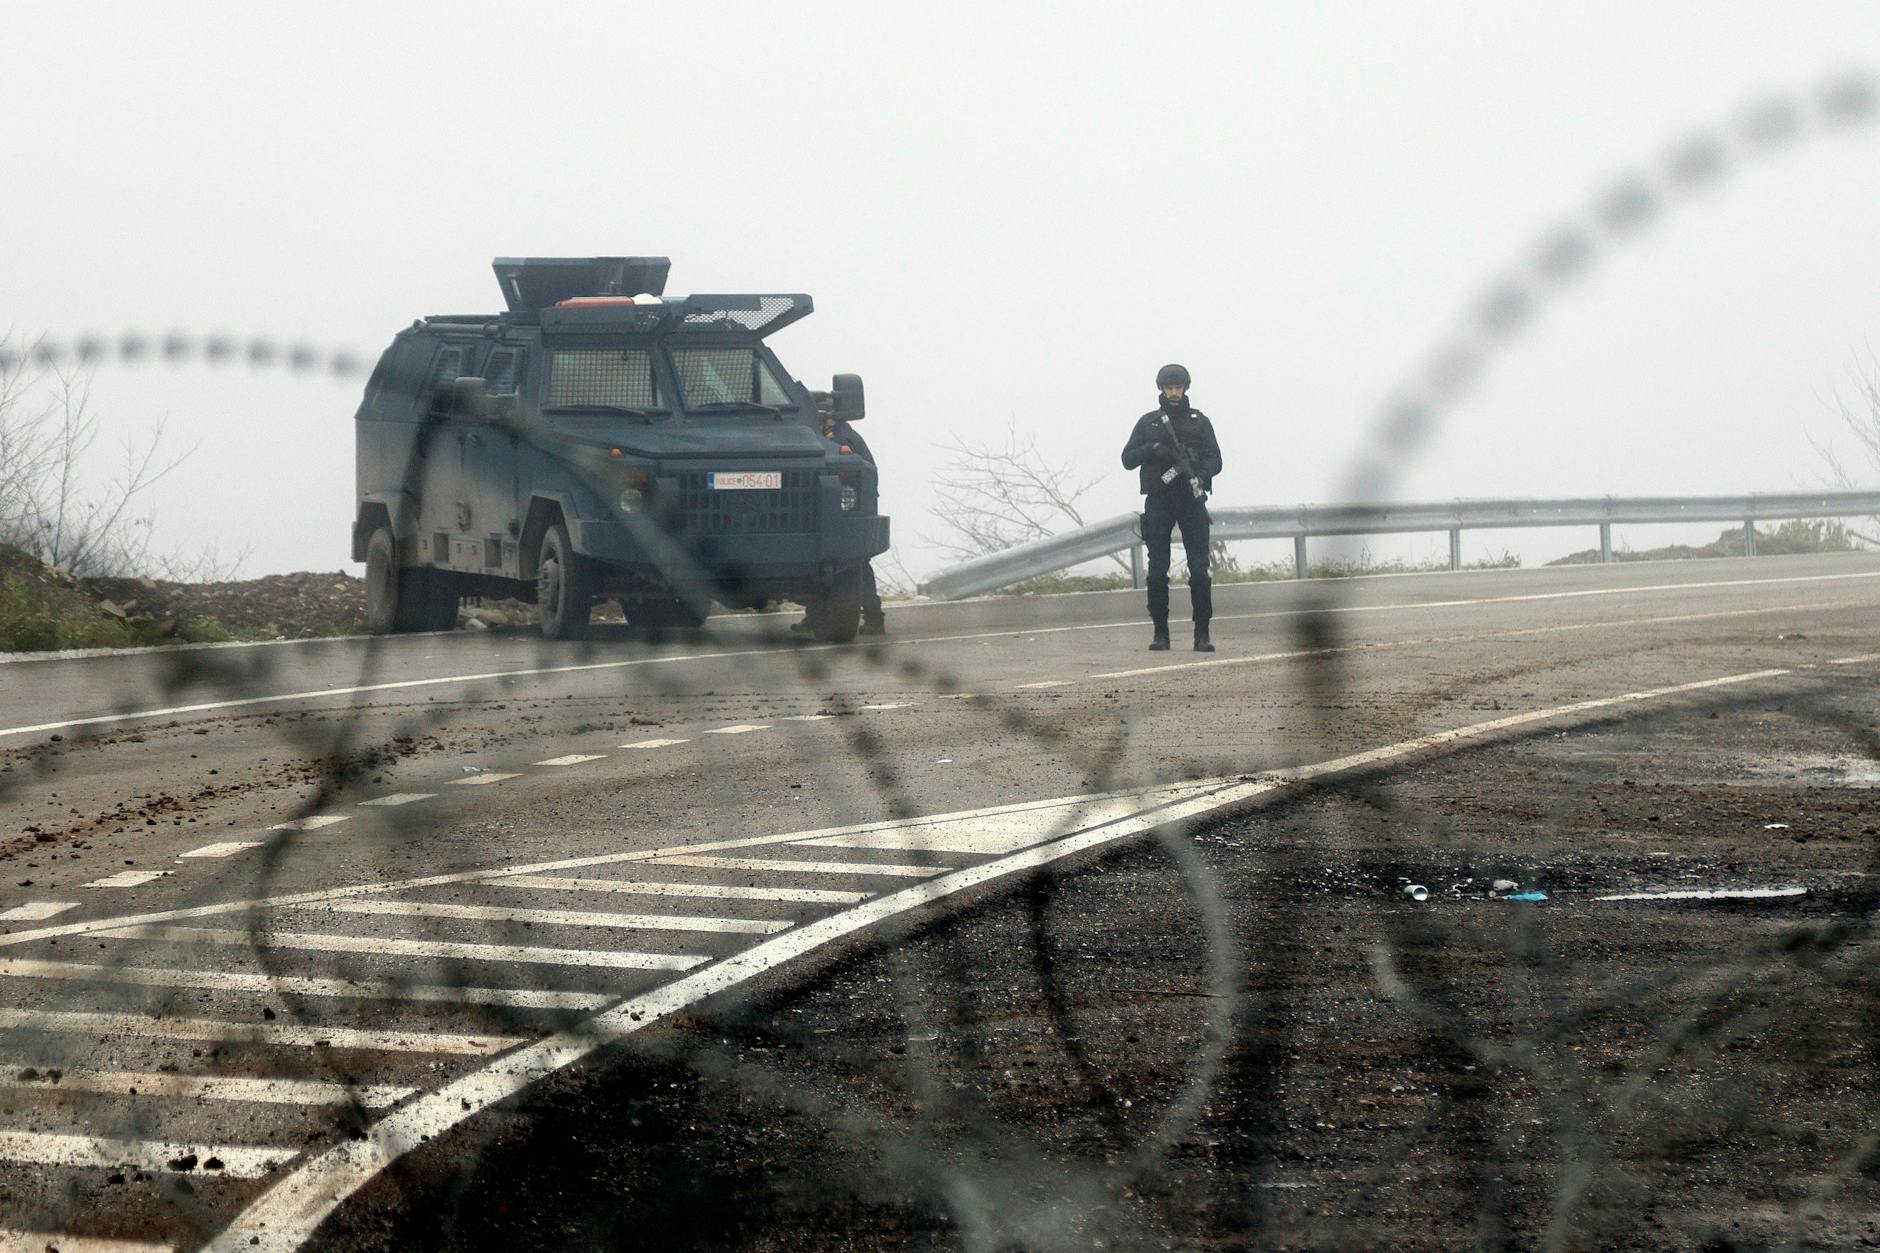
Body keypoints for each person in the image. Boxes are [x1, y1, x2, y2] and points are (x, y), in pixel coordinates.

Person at [1120, 363, 1223, 652]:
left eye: (1178, 387)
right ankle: (1160, 633)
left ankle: (1202, 634)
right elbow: (1127, 459)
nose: (1174, 392)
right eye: (1169, 387)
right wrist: (1153, 448)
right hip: (1159, 500)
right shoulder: (1148, 423)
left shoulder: (1199, 421)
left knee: (1200, 570)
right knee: (1157, 570)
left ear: (1186, 388)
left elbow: (1216, 459)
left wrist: (1199, 476)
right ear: (1161, 389)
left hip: (1190, 500)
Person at [793, 413, 886, 636]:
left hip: (846, 513)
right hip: (842, 511)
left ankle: (874, 618)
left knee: (855, 566)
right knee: (837, 568)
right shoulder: (840, 436)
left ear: (829, 420)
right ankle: (815, 617)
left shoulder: (843, 440)